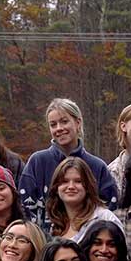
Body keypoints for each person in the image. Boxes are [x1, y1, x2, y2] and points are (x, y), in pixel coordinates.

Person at [19, 98, 117, 231]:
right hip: (45, 244)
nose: (59, 128)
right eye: (53, 124)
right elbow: (25, 210)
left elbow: (110, 209)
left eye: (64, 122)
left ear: (78, 123)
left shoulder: (97, 166)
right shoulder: (38, 162)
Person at [45, 156, 121, 241]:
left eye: (78, 181)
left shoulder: (105, 218)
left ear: (88, 187)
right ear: (56, 188)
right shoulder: (55, 225)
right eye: (64, 181)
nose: (71, 186)